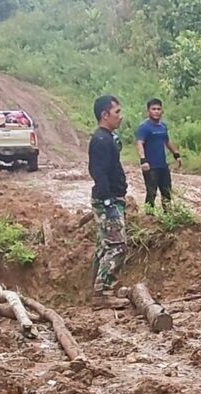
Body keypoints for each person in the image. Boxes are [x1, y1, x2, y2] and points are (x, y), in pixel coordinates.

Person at [88, 95, 129, 310]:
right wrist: (107, 202)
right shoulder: (101, 140)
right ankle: (103, 292)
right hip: (108, 200)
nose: (120, 117)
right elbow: (98, 172)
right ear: (105, 115)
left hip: (111, 198)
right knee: (116, 245)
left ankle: (100, 288)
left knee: (105, 245)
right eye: (117, 112)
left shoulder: (108, 138)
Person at [136, 98, 181, 211]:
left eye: (158, 109)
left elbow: (167, 141)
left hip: (163, 165)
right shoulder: (144, 127)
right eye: (153, 109)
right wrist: (143, 160)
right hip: (150, 166)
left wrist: (176, 154)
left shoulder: (163, 126)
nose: (156, 111)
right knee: (151, 193)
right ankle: (149, 216)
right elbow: (140, 143)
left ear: (162, 111)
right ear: (148, 111)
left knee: (167, 192)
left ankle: (168, 214)